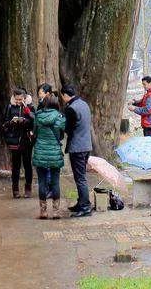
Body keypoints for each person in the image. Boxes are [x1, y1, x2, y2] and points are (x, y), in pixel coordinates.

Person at [61, 83, 93, 218]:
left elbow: (68, 128)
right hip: (87, 145)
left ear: (65, 95)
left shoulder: (71, 108)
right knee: (80, 176)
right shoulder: (84, 104)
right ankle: (81, 202)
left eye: (62, 96)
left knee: (80, 178)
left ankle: (85, 206)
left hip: (77, 147)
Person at [32, 94, 65, 219]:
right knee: (55, 182)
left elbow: (34, 133)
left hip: (40, 153)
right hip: (55, 154)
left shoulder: (38, 115)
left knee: (42, 182)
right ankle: (56, 212)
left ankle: (43, 212)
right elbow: (61, 135)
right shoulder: (60, 117)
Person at [1, 87, 35, 198]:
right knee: (15, 166)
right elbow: (5, 123)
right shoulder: (10, 107)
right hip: (14, 139)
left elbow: (34, 122)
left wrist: (26, 118)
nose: (19, 101)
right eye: (17, 99)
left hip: (26, 140)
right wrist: (12, 122)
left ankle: (28, 187)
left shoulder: (29, 107)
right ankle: (15, 188)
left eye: (21, 99)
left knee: (27, 164)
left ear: (25, 98)